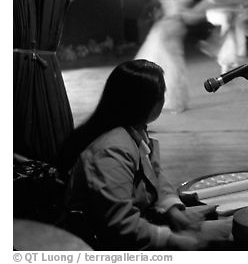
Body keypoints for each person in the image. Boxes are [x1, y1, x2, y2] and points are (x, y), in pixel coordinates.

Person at [57, 60, 232, 250]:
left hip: (146, 224)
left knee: (231, 227)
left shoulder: (135, 131)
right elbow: (120, 223)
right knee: (234, 234)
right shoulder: (111, 149)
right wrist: (172, 240)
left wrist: (175, 212)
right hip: (115, 245)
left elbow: (156, 175)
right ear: (146, 102)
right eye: (162, 95)